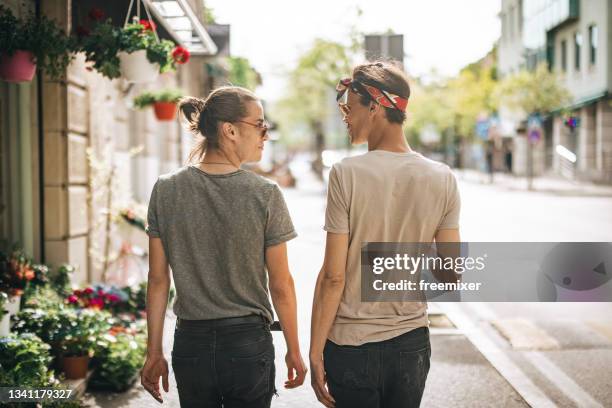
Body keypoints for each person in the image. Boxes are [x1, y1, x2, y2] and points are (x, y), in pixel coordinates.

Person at [141, 86, 307, 407]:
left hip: (191, 344)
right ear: (229, 130)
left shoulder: (165, 189)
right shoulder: (265, 194)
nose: (265, 134)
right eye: (260, 124)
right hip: (248, 345)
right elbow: (281, 285)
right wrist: (294, 350)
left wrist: (153, 352)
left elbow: (158, 280)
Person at [309, 61, 461, 408]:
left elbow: (333, 277)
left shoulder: (345, 174)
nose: (344, 117)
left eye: (349, 108)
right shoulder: (442, 177)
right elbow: (451, 274)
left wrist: (315, 351)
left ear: (374, 107)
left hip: (350, 346)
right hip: (411, 344)